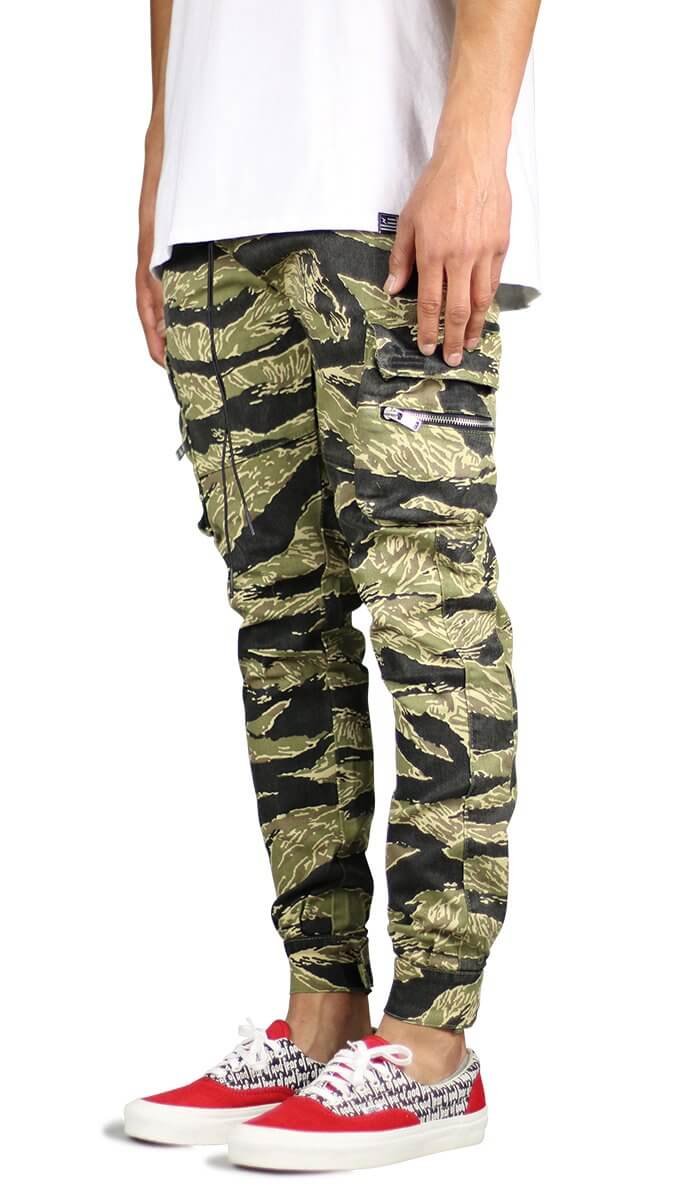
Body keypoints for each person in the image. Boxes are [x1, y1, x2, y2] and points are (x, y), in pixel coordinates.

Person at [125, 0, 541, 1171]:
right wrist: (162, 169)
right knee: (280, 626)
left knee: (429, 611)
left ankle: (431, 1045)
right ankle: (323, 1015)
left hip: (384, 181)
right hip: (215, 208)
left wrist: (474, 144)